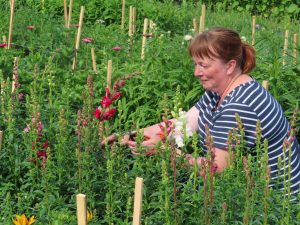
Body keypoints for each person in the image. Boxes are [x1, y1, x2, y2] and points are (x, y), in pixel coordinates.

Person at [106, 27, 300, 200]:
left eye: (204, 65)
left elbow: (216, 170)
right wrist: (133, 136)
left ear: (230, 66)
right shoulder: (219, 91)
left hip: (273, 205)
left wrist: (164, 151)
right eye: (195, 64)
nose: (196, 72)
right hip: (249, 193)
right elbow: (182, 125)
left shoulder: (239, 106)